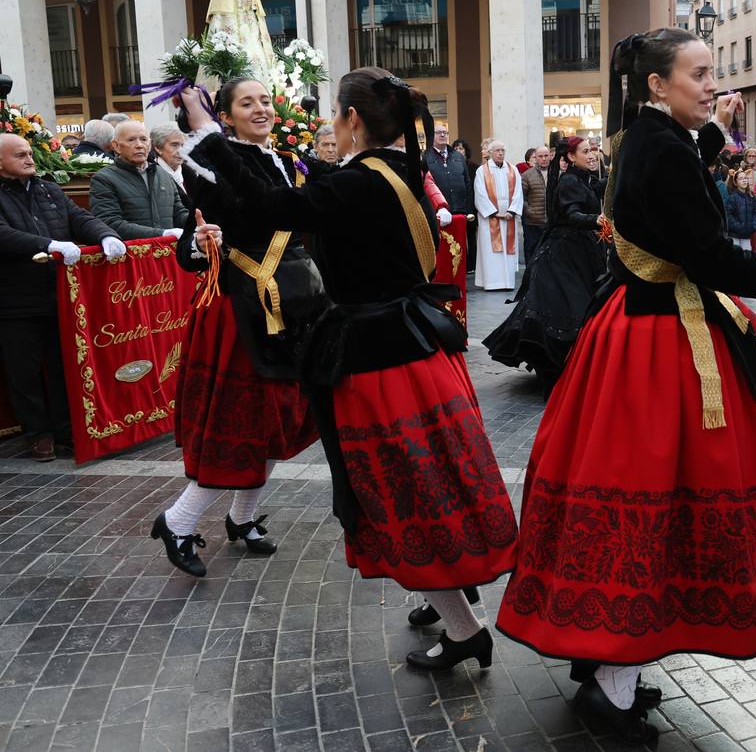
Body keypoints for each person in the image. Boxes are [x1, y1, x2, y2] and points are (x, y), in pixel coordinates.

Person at [496, 29, 756, 742]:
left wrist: (717, 135)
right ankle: (611, 681)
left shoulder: (646, 138)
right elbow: (702, 249)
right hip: (659, 339)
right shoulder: (659, 146)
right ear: (655, 84)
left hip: (637, 325)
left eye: (713, 74)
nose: (711, 85)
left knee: (631, 492)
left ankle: (607, 665)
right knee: (651, 498)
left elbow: (674, 189)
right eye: (699, 74)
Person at [176, 69, 517, 669]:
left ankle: (464, 629)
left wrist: (206, 136)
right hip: (417, 349)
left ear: (353, 120)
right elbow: (279, 202)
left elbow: (268, 206)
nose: (332, 122)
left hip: (377, 361)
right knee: (432, 480)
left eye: (336, 112)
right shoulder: (399, 168)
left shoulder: (357, 183)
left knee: (395, 494)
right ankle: (451, 599)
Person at [151, 77, 324, 578]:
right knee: (243, 425)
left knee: (281, 421)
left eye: (266, 100)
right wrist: (201, 243)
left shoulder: (280, 159)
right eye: (247, 103)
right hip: (241, 312)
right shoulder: (209, 159)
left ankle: (241, 517)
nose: (261, 109)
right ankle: (178, 521)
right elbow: (194, 242)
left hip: (288, 307)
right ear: (223, 116)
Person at [0, 133, 123, 461]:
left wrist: (106, 235)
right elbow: (3, 234)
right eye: (20, 155)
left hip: (58, 295)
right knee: (23, 371)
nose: (29, 159)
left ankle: (66, 429)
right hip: (14, 301)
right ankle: (38, 433)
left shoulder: (48, 189)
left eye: (29, 152)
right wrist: (47, 245)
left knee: (62, 365)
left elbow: (79, 218)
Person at [484, 137, 610, 392]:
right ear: (571, 157)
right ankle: (558, 366)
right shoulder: (570, 181)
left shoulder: (581, 178)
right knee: (568, 307)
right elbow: (572, 214)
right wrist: (595, 219)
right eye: (586, 151)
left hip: (579, 252)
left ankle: (570, 363)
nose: (592, 155)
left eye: (593, 151)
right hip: (563, 255)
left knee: (576, 306)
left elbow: (597, 189)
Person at [88, 120, 189, 239]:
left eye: (143, 139)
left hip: (167, 253)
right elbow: (110, 223)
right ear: (116, 146)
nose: (139, 145)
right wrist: (161, 234)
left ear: (150, 145)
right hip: (132, 254)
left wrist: (200, 223)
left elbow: (178, 213)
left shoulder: (162, 174)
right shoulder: (104, 179)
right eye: (131, 140)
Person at [474, 140, 524, 290]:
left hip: (508, 217)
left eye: (503, 150)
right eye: (497, 150)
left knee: (508, 251)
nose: (501, 153)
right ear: (490, 153)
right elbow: (480, 193)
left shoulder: (512, 170)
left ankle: (507, 282)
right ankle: (492, 283)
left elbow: (518, 192)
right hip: (490, 218)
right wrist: (494, 213)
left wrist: (512, 211)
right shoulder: (482, 171)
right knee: (491, 252)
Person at [520, 145, 552, 263]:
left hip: (551, 223)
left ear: (550, 157)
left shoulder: (557, 174)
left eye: (546, 156)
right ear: (536, 158)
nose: (543, 159)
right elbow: (521, 198)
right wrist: (529, 211)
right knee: (532, 254)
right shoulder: (527, 175)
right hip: (532, 223)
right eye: (540, 156)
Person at [151, 123, 189, 202]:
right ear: (158, 148)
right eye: (174, 145)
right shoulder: (151, 175)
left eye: (183, 145)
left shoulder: (190, 174)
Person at [724, 167, 756, 250]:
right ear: (736, 182)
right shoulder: (733, 198)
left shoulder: (751, 197)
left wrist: (753, 226)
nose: (744, 180)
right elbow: (728, 215)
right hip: (735, 235)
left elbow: (755, 212)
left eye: (745, 178)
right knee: (736, 258)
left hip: (747, 234)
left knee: (747, 257)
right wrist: (738, 227)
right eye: (741, 178)